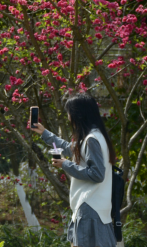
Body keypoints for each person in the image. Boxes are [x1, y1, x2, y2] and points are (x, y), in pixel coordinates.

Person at [30, 93, 117, 247]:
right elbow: (69, 148)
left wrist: (65, 164)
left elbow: (97, 174)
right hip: (95, 206)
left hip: (89, 206)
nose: (68, 117)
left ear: (78, 115)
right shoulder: (96, 136)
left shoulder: (91, 140)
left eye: (69, 112)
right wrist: (44, 133)